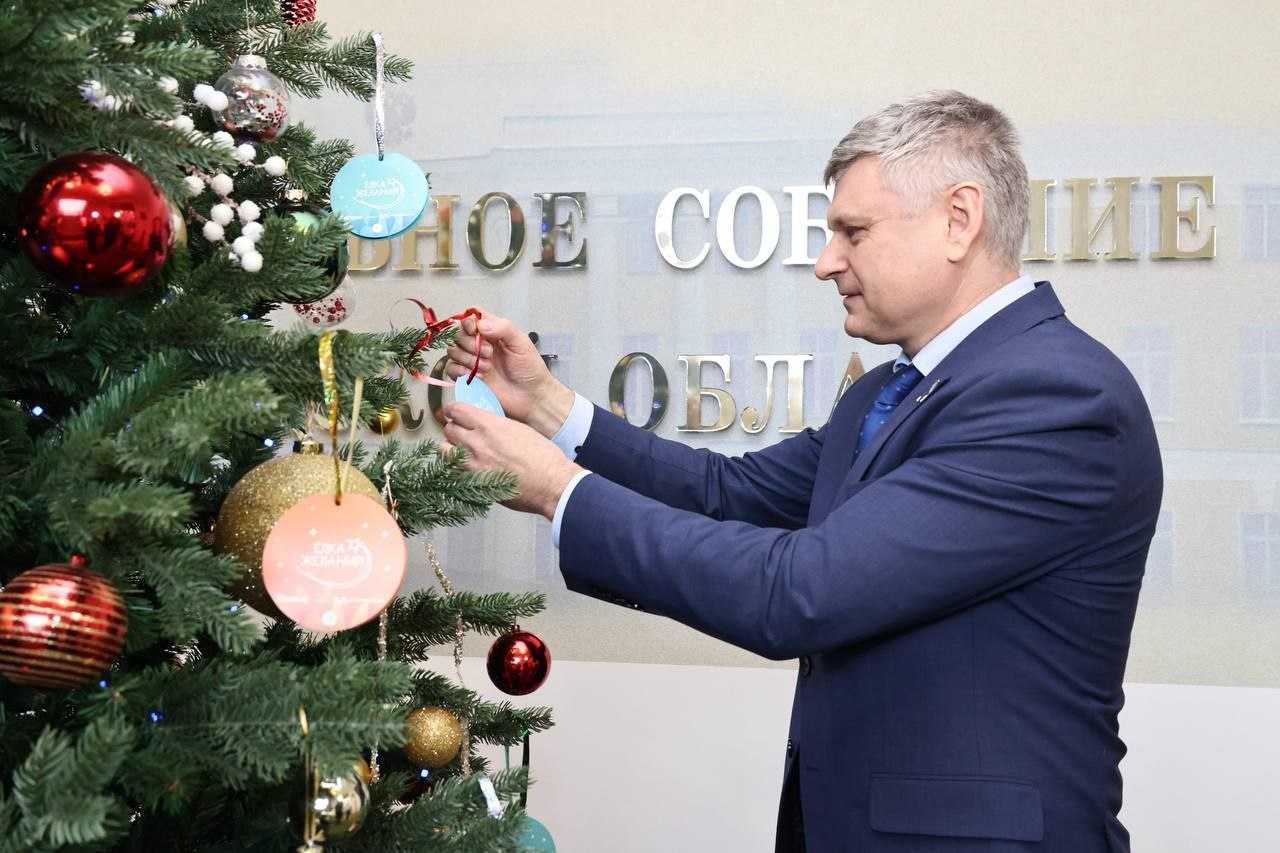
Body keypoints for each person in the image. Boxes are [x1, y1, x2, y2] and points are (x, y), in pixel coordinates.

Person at [439, 90, 1162, 852]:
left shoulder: (1055, 396)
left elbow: (801, 590)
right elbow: (726, 494)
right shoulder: (887, 394)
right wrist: (549, 406)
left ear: (960, 219)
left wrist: (558, 490)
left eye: (854, 231)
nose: (826, 263)